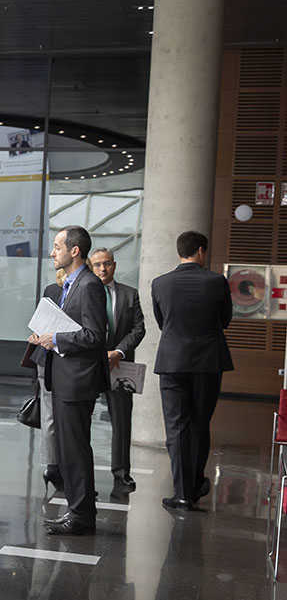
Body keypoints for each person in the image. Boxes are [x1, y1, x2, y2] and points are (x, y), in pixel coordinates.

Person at [29, 226, 108, 536]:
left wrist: (56, 339)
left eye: (58, 247)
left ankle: (81, 514)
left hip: (77, 381)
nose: (53, 252)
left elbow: (94, 335)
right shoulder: (70, 285)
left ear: (75, 251)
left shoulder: (88, 285)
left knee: (75, 449)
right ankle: (78, 510)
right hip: (64, 377)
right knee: (68, 448)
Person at [151, 231, 233, 510]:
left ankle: (182, 492)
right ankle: (196, 483)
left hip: (173, 362)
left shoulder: (160, 283)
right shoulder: (217, 281)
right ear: (201, 251)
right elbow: (225, 320)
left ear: (179, 252)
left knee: (176, 427)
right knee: (200, 423)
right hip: (208, 363)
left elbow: (163, 322)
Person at [89, 247, 146, 492]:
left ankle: (122, 474)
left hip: (120, 364)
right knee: (78, 420)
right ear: (91, 267)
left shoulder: (130, 294)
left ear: (115, 265)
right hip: (88, 364)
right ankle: (76, 473)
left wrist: (118, 352)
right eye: (98, 264)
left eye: (107, 263)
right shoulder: (85, 292)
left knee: (122, 421)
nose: (103, 268)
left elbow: (138, 329)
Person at [35, 269, 66, 493]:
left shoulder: (51, 290)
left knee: (49, 415)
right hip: (54, 358)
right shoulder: (56, 291)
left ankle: (52, 465)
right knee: (56, 416)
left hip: (47, 357)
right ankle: (55, 466)